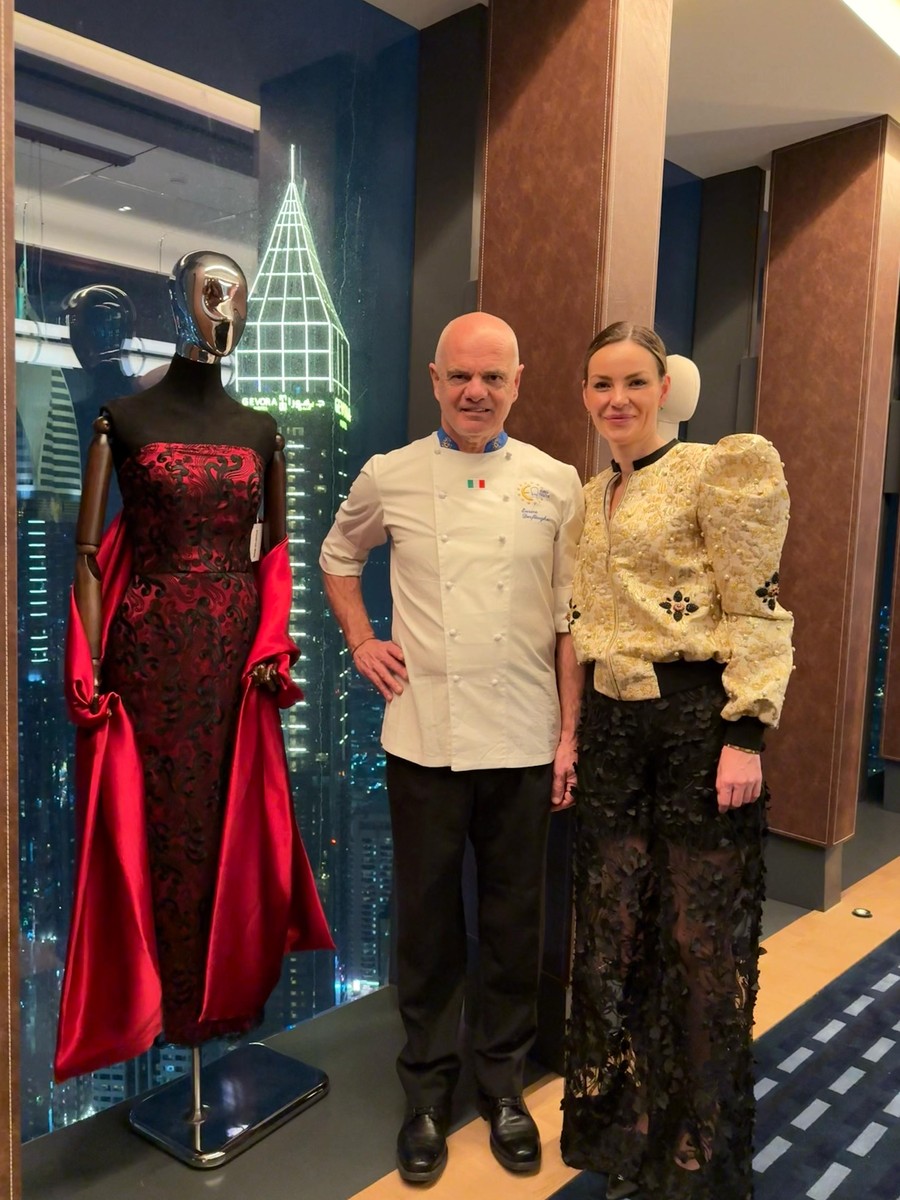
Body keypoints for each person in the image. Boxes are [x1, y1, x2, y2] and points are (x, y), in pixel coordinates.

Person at [320, 311, 584, 1183]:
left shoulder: (555, 481)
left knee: (514, 922)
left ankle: (503, 1085)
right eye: (461, 376)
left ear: (517, 383)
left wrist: (568, 734)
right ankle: (428, 1094)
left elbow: (569, 619)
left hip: (522, 737)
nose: (476, 392)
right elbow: (337, 555)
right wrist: (362, 641)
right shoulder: (390, 474)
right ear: (435, 380)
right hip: (423, 737)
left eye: (493, 377)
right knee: (429, 927)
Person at [57, 251, 332, 1081]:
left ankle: (223, 998)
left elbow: (276, 555)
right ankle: (166, 1006)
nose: (227, 310)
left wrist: (271, 645)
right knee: (158, 824)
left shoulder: (261, 431)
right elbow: (88, 555)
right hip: (148, 653)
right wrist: (89, 664)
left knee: (229, 821)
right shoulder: (121, 418)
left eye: (238, 297)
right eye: (212, 294)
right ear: (179, 304)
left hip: (234, 661)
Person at [560, 322, 793, 1200]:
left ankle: (698, 1151)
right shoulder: (591, 496)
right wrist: (573, 736)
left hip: (697, 724)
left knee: (700, 943)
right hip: (614, 732)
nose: (616, 399)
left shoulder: (715, 471)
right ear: (585, 395)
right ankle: (633, 1130)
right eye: (601, 384)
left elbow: (758, 608)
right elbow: (582, 627)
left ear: (665, 389)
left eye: (633, 382)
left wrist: (747, 733)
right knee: (617, 933)